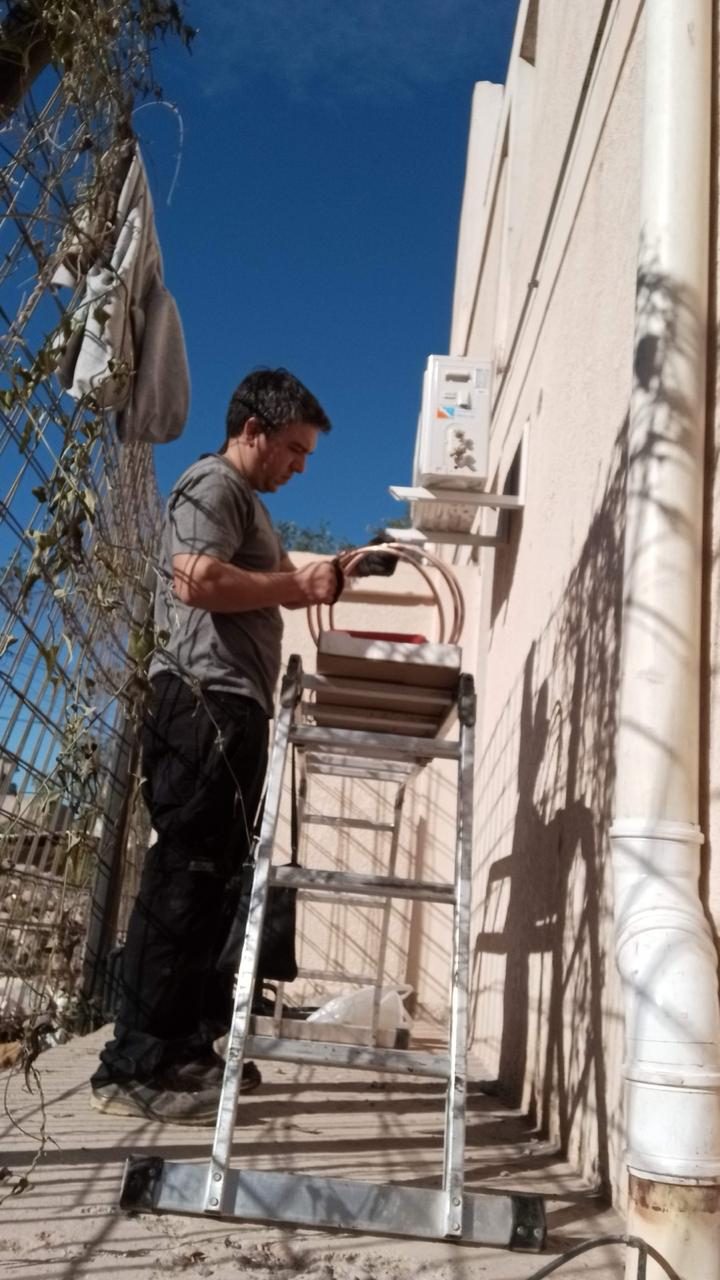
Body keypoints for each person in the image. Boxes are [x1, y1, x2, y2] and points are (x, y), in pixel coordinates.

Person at [90, 368, 338, 1123]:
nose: (299, 465)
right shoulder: (214, 483)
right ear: (252, 430)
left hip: (230, 709)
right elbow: (194, 579)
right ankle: (133, 1065)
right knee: (185, 876)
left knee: (214, 881)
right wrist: (293, 589)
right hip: (202, 703)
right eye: (293, 448)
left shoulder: (246, 505)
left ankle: (187, 1044)